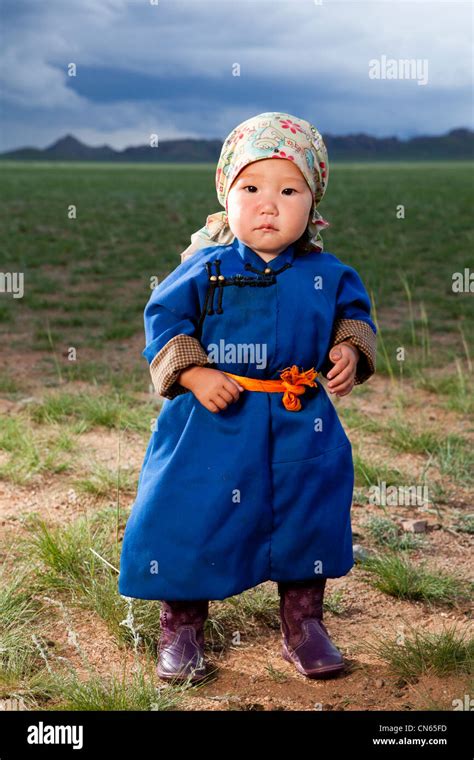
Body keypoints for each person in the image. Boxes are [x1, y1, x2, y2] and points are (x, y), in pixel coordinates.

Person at [118, 112, 377, 683]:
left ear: (312, 203)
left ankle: (304, 625)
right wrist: (194, 373)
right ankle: (181, 628)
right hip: (212, 422)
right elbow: (164, 323)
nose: (269, 204)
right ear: (225, 195)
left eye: (289, 191)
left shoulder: (328, 273)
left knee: (306, 515)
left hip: (298, 419)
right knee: (190, 513)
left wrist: (349, 352)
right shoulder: (204, 269)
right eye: (251, 189)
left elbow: (354, 318)